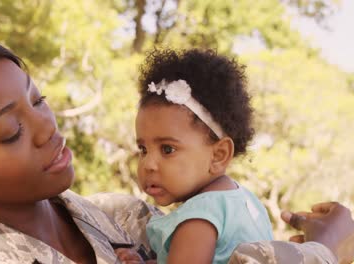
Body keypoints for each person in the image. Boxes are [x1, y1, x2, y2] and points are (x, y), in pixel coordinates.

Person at [0, 39, 354, 264]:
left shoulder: (121, 218)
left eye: (38, 101)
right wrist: (324, 251)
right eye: (12, 130)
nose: (46, 128)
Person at [115, 49, 273, 264]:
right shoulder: (247, 202)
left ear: (218, 155)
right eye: (143, 149)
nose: (148, 164)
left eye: (167, 149)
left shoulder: (199, 217)